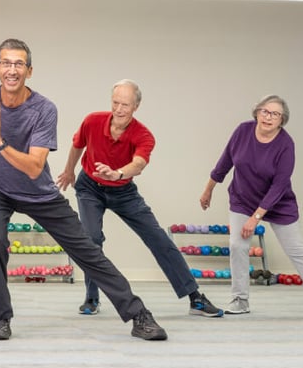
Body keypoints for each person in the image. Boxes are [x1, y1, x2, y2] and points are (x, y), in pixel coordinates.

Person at [0, 38, 167, 341]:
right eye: (6, 63)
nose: (11, 69)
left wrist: (0, 143)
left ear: (29, 71)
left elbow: (33, 167)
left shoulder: (44, 109)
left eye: (18, 64)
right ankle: (0, 318)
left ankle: (138, 314)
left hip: (38, 191)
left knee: (86, 249)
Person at [56, 80, 223, 318]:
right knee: (91, 239)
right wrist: (70, 170)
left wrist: (118, 173)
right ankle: (92, 297)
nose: (119, 109)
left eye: (125, 104)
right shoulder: (92, 121)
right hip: (89, 187)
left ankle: (195, 298)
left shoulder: (143, 135)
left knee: (158, 238)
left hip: (123, 190)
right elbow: (77, 145)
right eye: (115, 102)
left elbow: (139, 163)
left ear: (136, 106)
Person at [200, 94, 303, 319]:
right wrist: (208, 189)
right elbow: (224, 163)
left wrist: (255, 218)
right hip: (242, 198)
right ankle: (240, 299)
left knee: (299, 251)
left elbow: (279, 185)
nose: (268, 117)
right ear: (257, 112)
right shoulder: (242, 131)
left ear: (282, 120)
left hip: (278, 203)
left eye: (275, 114)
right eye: (265, 111)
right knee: (238, 245)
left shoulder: (286, 144)